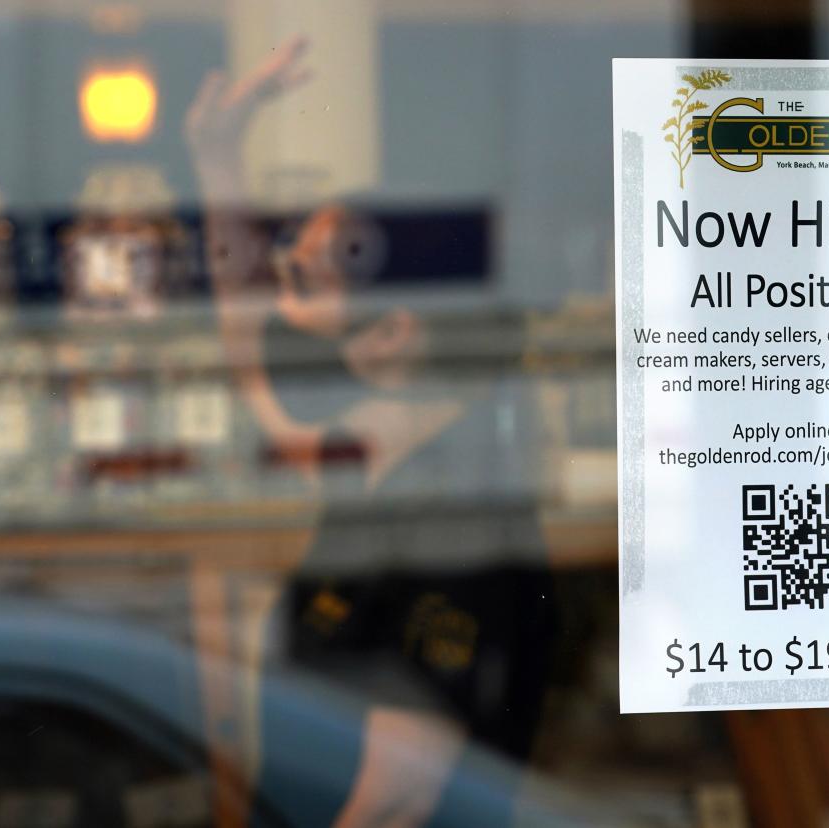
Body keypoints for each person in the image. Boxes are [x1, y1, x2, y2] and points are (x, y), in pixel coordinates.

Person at [186, 36, 554, 828]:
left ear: (392, 336)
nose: (279, 309)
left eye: (302, 283)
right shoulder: (374, 467)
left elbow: (395, 801)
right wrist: (221, 161)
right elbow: (250, 349)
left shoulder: (454, 538)